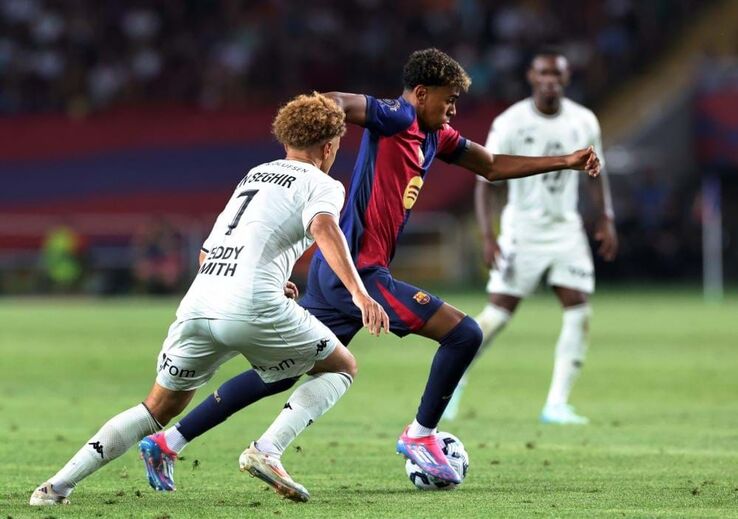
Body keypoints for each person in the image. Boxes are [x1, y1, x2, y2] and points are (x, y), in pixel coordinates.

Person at [139, 47, 601, 489]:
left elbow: (492, 166)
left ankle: (169, 441)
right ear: (421, 93)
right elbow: (340, 102)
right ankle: (420, 435)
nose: (454, 110)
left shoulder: (436, 136)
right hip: (358, 271)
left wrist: (566, 161)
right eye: (449, 100)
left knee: (283, 369)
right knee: (464, 334)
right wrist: (316, 118)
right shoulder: (397, 116)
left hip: (334, 273)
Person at [29, 92, 389, 506]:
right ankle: (267, 450)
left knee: (156, 408)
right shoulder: (323, 184)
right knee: (342, 366)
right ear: (328, 146)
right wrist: (360, 294)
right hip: (251, 304)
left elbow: (207, 252)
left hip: (200, 300)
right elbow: (324, 228)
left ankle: (54, 487)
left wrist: (269, 280)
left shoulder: (255, 175)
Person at [442, 48, 618, 425]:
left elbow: (596, 172)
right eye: (544, 74)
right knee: (498, 315)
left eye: (557, 74)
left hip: (566, 229)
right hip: (522, 230)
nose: (550, 81)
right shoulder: (511, 122)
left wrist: (606, 217)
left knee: (578, 309)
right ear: (532, 77)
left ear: (566, 79)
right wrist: (488, 236)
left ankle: (556, 404)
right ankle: (451, 383)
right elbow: (484, 179)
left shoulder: (584, 120)